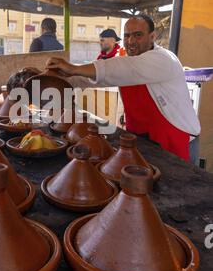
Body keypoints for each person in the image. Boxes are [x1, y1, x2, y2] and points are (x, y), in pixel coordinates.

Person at [46, 14, 201, 162]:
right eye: (127, 36)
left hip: (174, 138)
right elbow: (96, 79)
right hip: (142, 139)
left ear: (152, 37)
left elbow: (121, 68)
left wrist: (72, 68)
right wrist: (63, 77)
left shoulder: (163, 59)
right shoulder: (128, 61)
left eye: (138, 35)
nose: (130, 41)